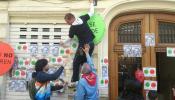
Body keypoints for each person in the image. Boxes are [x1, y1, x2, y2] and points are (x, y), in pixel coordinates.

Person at [61, 0, 95, 84]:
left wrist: (63, 43)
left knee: (76, 62)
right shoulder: (82, 18)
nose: (67, 23)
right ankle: (87, 79)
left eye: (67, 22)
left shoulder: (73, 27)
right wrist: (92, 3)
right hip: (91, 44)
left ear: (71, 19)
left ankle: (75, 81)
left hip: (83, 47)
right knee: (85, 62)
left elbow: (70, 38)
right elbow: (91, 12)